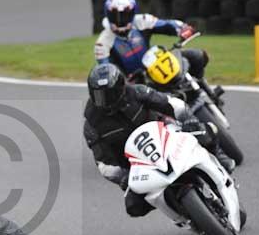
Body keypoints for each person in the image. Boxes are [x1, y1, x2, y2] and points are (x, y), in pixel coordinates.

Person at [83, 63, 232, 218]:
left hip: (165, 134)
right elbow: (103, 163)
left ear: (121, 86)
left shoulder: (137, 92)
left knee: (206, 131)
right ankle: (182, 213)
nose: (106, 101)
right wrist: (122, 177)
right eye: (100, 96)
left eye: (111, 94)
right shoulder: (92, 123)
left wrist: (188, 120)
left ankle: (220, 159)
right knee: (134, 207)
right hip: (137, 165)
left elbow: (170, 103)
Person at [95, 0, 208, 80]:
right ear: (108, 14)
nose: (120, 20)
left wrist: (183, 28)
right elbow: (106, 71)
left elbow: (167, 24)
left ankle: (200, 85)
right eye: (115, 15)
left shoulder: (142, 21)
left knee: (198, 56)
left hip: (156, 65)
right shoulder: (102, 43)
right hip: (133, 83)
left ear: (132, 13)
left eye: (125, 15)